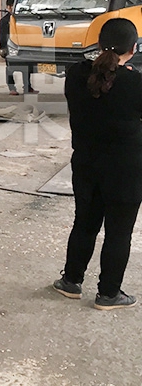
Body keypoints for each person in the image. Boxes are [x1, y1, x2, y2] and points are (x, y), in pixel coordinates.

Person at [53, 18, 142, 310]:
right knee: (119, 232)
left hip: (86, 165)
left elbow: (98, 80)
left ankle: (71, 281)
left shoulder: (75, 75)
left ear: (99, 44)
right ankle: (108, 294)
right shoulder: (135, 83)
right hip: (127, 170)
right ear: (134, 48)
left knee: (84, 223)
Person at [0, 0, 38, 95]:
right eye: (11, 6)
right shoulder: (4, 21)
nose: (13, 8)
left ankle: (27, 87)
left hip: (22, 47)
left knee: (26, 67)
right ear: (8, 7)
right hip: (10, 48)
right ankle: (12, 88)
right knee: (10, 68)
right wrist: (3, 48)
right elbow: (2, 36)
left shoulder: (21, 20)